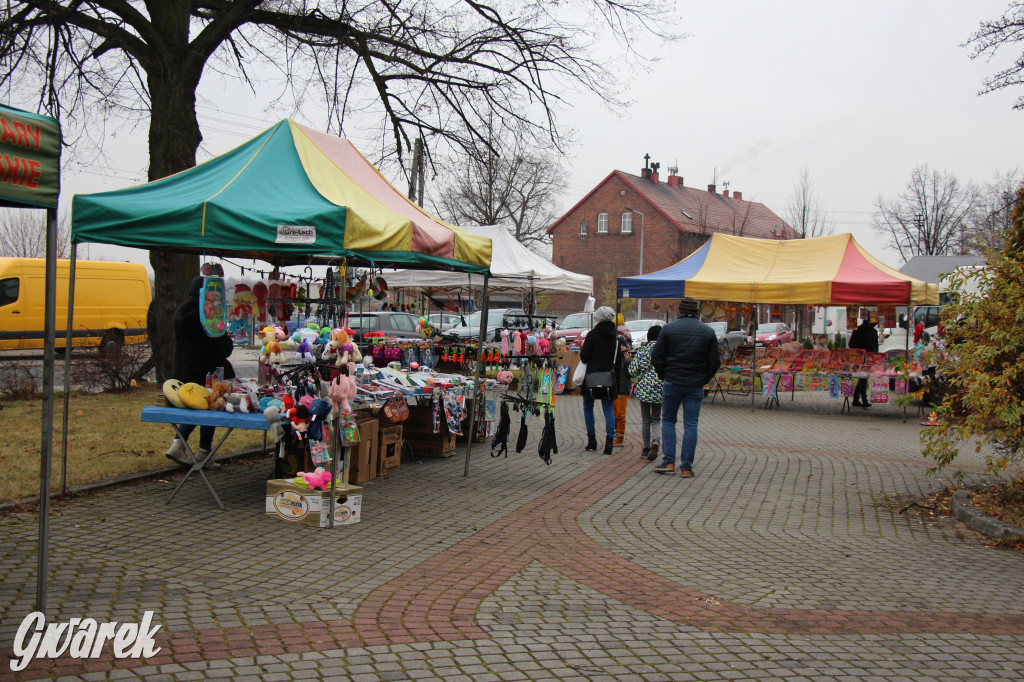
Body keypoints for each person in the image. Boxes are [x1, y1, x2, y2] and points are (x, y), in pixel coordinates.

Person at [165, 275, 236, 469]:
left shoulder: (181, 312)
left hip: (183, 371)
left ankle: (180, 443)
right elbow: (223, 347)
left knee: (193, 409)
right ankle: (202, 451)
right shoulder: (207, 315)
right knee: (208, 409)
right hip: (205, 372)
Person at [651, 298, 721, 477]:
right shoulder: (707, 332)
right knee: (691, 424)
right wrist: (703, 378)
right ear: (697, 312)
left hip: (672, 382)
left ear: (679, 311)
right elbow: (714, 362)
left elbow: (657, 357)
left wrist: (664, 375)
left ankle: (668, 462)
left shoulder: (668, 329)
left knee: (668, 420)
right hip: (695, 383)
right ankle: (687, 467)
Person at [580, 306, 619, 455]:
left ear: (598, 318)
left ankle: (592, 440)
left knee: (588, 408)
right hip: (608, 377)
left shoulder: (592, 335)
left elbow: (584, 356)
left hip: (591, 377)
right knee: (608, 410)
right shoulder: (615, 336)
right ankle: (609, 441)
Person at [629, 324, 664, 462]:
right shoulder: (664, 350)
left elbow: (632, 371)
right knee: (656, 418)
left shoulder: (643, 351)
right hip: (660, 387)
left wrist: (628, 361)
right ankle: (656, 440)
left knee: (645, 419)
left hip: (644, 388)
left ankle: (646, 448)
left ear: (649, 336)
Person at [848, 316, 879, 408]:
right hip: (861, 358)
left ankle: (856, 399)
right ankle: (864, 400)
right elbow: (851, 344)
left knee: (863, 378)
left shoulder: (873, 331)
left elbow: (875, 345)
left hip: (870, 357)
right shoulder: (859, 330)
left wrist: (876, 356)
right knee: (863, 378)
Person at [611, 332, 632, 448]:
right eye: (619, 346)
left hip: (623, 389)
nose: (621, 348)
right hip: (614, 388)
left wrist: (628, 361)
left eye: (623, 346)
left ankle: (621, 434)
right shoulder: (614, 358)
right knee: (614, 413)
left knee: (620, 414)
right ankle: (616, 432)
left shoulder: (627, 358)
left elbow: (631, 373)